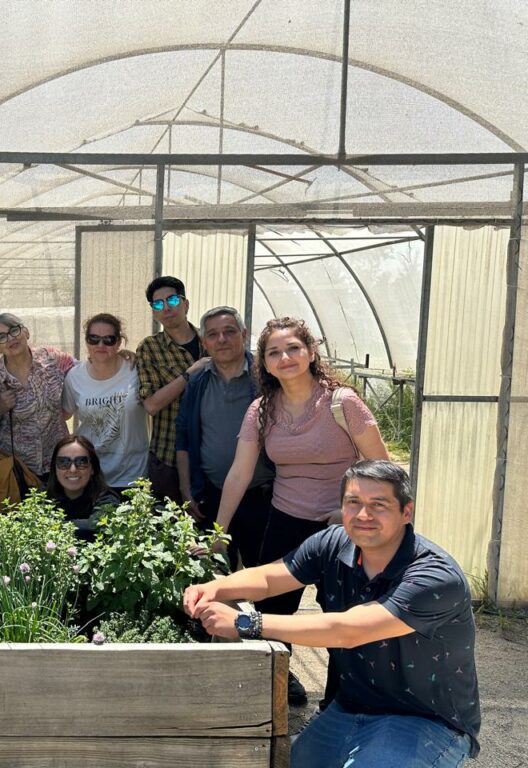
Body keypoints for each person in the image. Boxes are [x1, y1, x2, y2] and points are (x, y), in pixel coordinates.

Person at [184, 461, 480, 767]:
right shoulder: (333, 544)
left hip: (424, 721)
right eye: (354, 503)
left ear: (407, 512)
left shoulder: (433, 577)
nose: (364, 515)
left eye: (378, 505)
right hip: (351, 708)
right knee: (284, 762)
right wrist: (214, 588)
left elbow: (347, 631)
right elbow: (271, 578)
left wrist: (244, 622)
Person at [213, 315, 389, 704]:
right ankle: (270, 700)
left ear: (311, 352)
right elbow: (239, 474)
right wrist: (217, 533)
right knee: (270, 615)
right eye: (274, 352)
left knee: (343, 620)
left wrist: (351, 515)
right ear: (265, 363)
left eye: (293, 348)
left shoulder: (343, 403)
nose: (285, 357)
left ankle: (340, 705)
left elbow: (383, 469)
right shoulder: (261, 410)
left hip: (341, 529)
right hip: (285, 521)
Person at [174, 306, 273, 568]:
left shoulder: (266, 379)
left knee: (260, 572)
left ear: (243, 334)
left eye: (229, 332)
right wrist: (187, 490)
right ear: (204, 342)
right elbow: (183, 436)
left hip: (260, 496)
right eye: (213, 334)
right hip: (212, 494)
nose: (221, 339)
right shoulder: (198, 382)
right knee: (214, 569)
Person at [136, 276, 208, 504]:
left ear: (185, 304)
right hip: (167, 457)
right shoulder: (150, 347)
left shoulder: (211, 340)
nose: (166, 308)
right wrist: (189, 374)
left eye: (172, 300)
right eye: (158, 304)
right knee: (169, 530)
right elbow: (151, 405)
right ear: (154, 312)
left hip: (210, 454)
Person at [62, 313, 148, 492]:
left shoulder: (136, 369)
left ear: (118, 343)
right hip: (91, 473)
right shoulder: (75, 376)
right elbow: (64, 414)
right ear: (86, 342)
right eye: (94, 339)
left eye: (109, 340)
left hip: (133, 473)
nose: (100, 345)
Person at [0, 313, 76, 481]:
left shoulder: (52, 359)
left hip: (58, 463)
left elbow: (87, 370)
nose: (10, 338)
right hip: (18, 470)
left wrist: (120, 355)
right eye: (1, 337)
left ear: (26, 333)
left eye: (14, 330)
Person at [45, 435, 119, 541]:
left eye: (81, 462)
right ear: (54, 469)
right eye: (63, 462)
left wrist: (48, 526)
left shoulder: (107, 499)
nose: (73, 469)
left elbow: (96, 526)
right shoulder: (41, 497)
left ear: (92, 468)